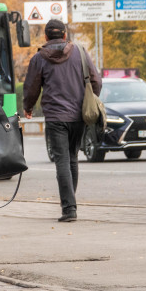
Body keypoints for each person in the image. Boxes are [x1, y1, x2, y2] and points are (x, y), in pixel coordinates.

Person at [23, 18, 101, 223]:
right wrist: (90, 101)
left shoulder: (39, 58)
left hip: (56, 117)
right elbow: (96, 81)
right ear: (65, 35)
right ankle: (70, 204)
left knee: (62, 161)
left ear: (46, 37)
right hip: (78, 116)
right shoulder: (81, 53)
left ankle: (69, 208)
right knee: (73, 157)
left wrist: (28, 107)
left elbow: (32, 87)